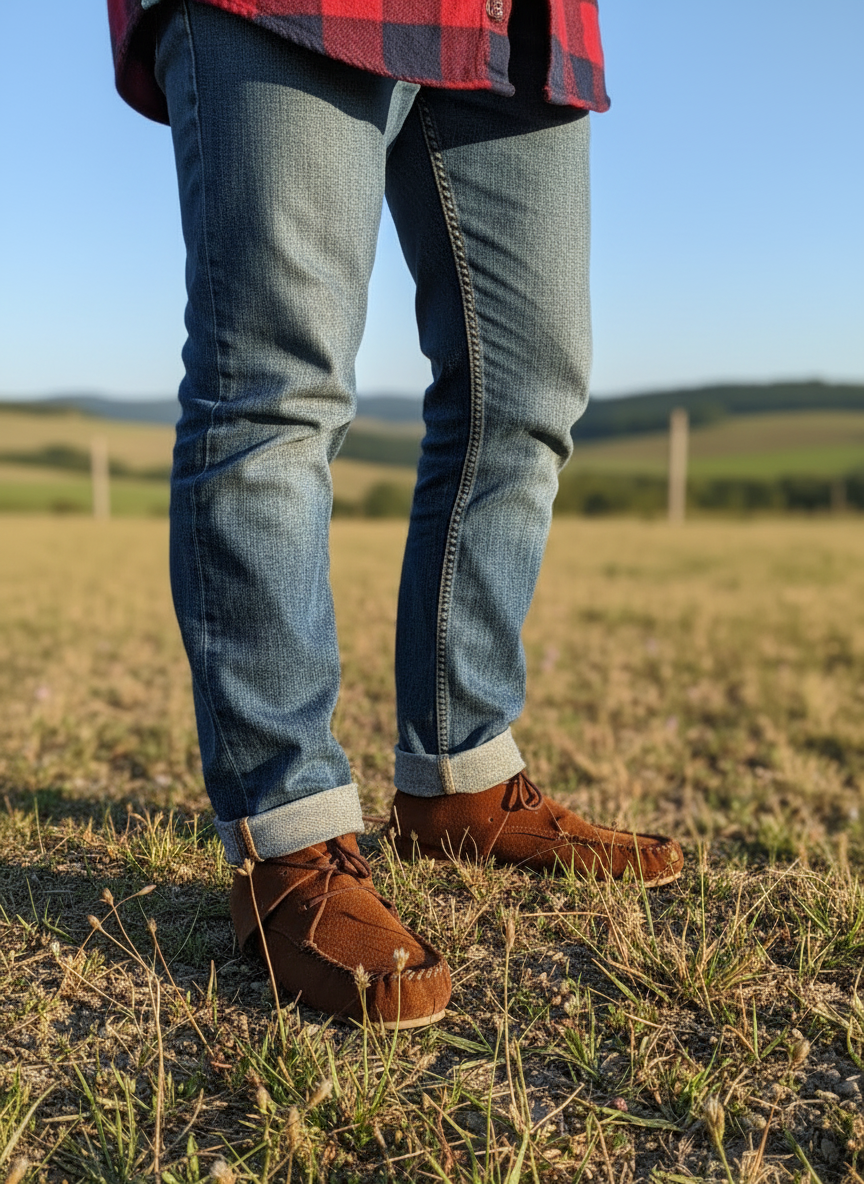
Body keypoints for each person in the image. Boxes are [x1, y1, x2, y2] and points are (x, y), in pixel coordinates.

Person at [107, 0, 683, 1031]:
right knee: (277, 382)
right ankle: (289, 831)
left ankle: (461, 776)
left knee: (527, 391)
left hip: (520, 25)